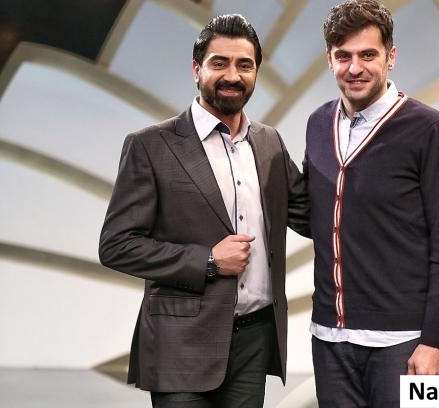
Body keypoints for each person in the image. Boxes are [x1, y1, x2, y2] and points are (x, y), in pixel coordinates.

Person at [99, 14, 309, 408]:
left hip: (254, 341)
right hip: (181, 345)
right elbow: (116, 245)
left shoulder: (269, 143)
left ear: (256, 73)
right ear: (196, 69)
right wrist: (208, 261)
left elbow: (311, 216)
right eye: (219, 63)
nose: (233, 75)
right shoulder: (150, 146)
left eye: (244, 65)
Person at [303, 0, 439, 406]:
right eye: (343, 56)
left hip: (402, 343)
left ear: (390, 57)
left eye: (367, 55)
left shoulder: (431, 130)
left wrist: (434, 342)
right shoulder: (318, 123)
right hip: (329, 340)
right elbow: (320, 215)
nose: (354, 68)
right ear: (329, 59)